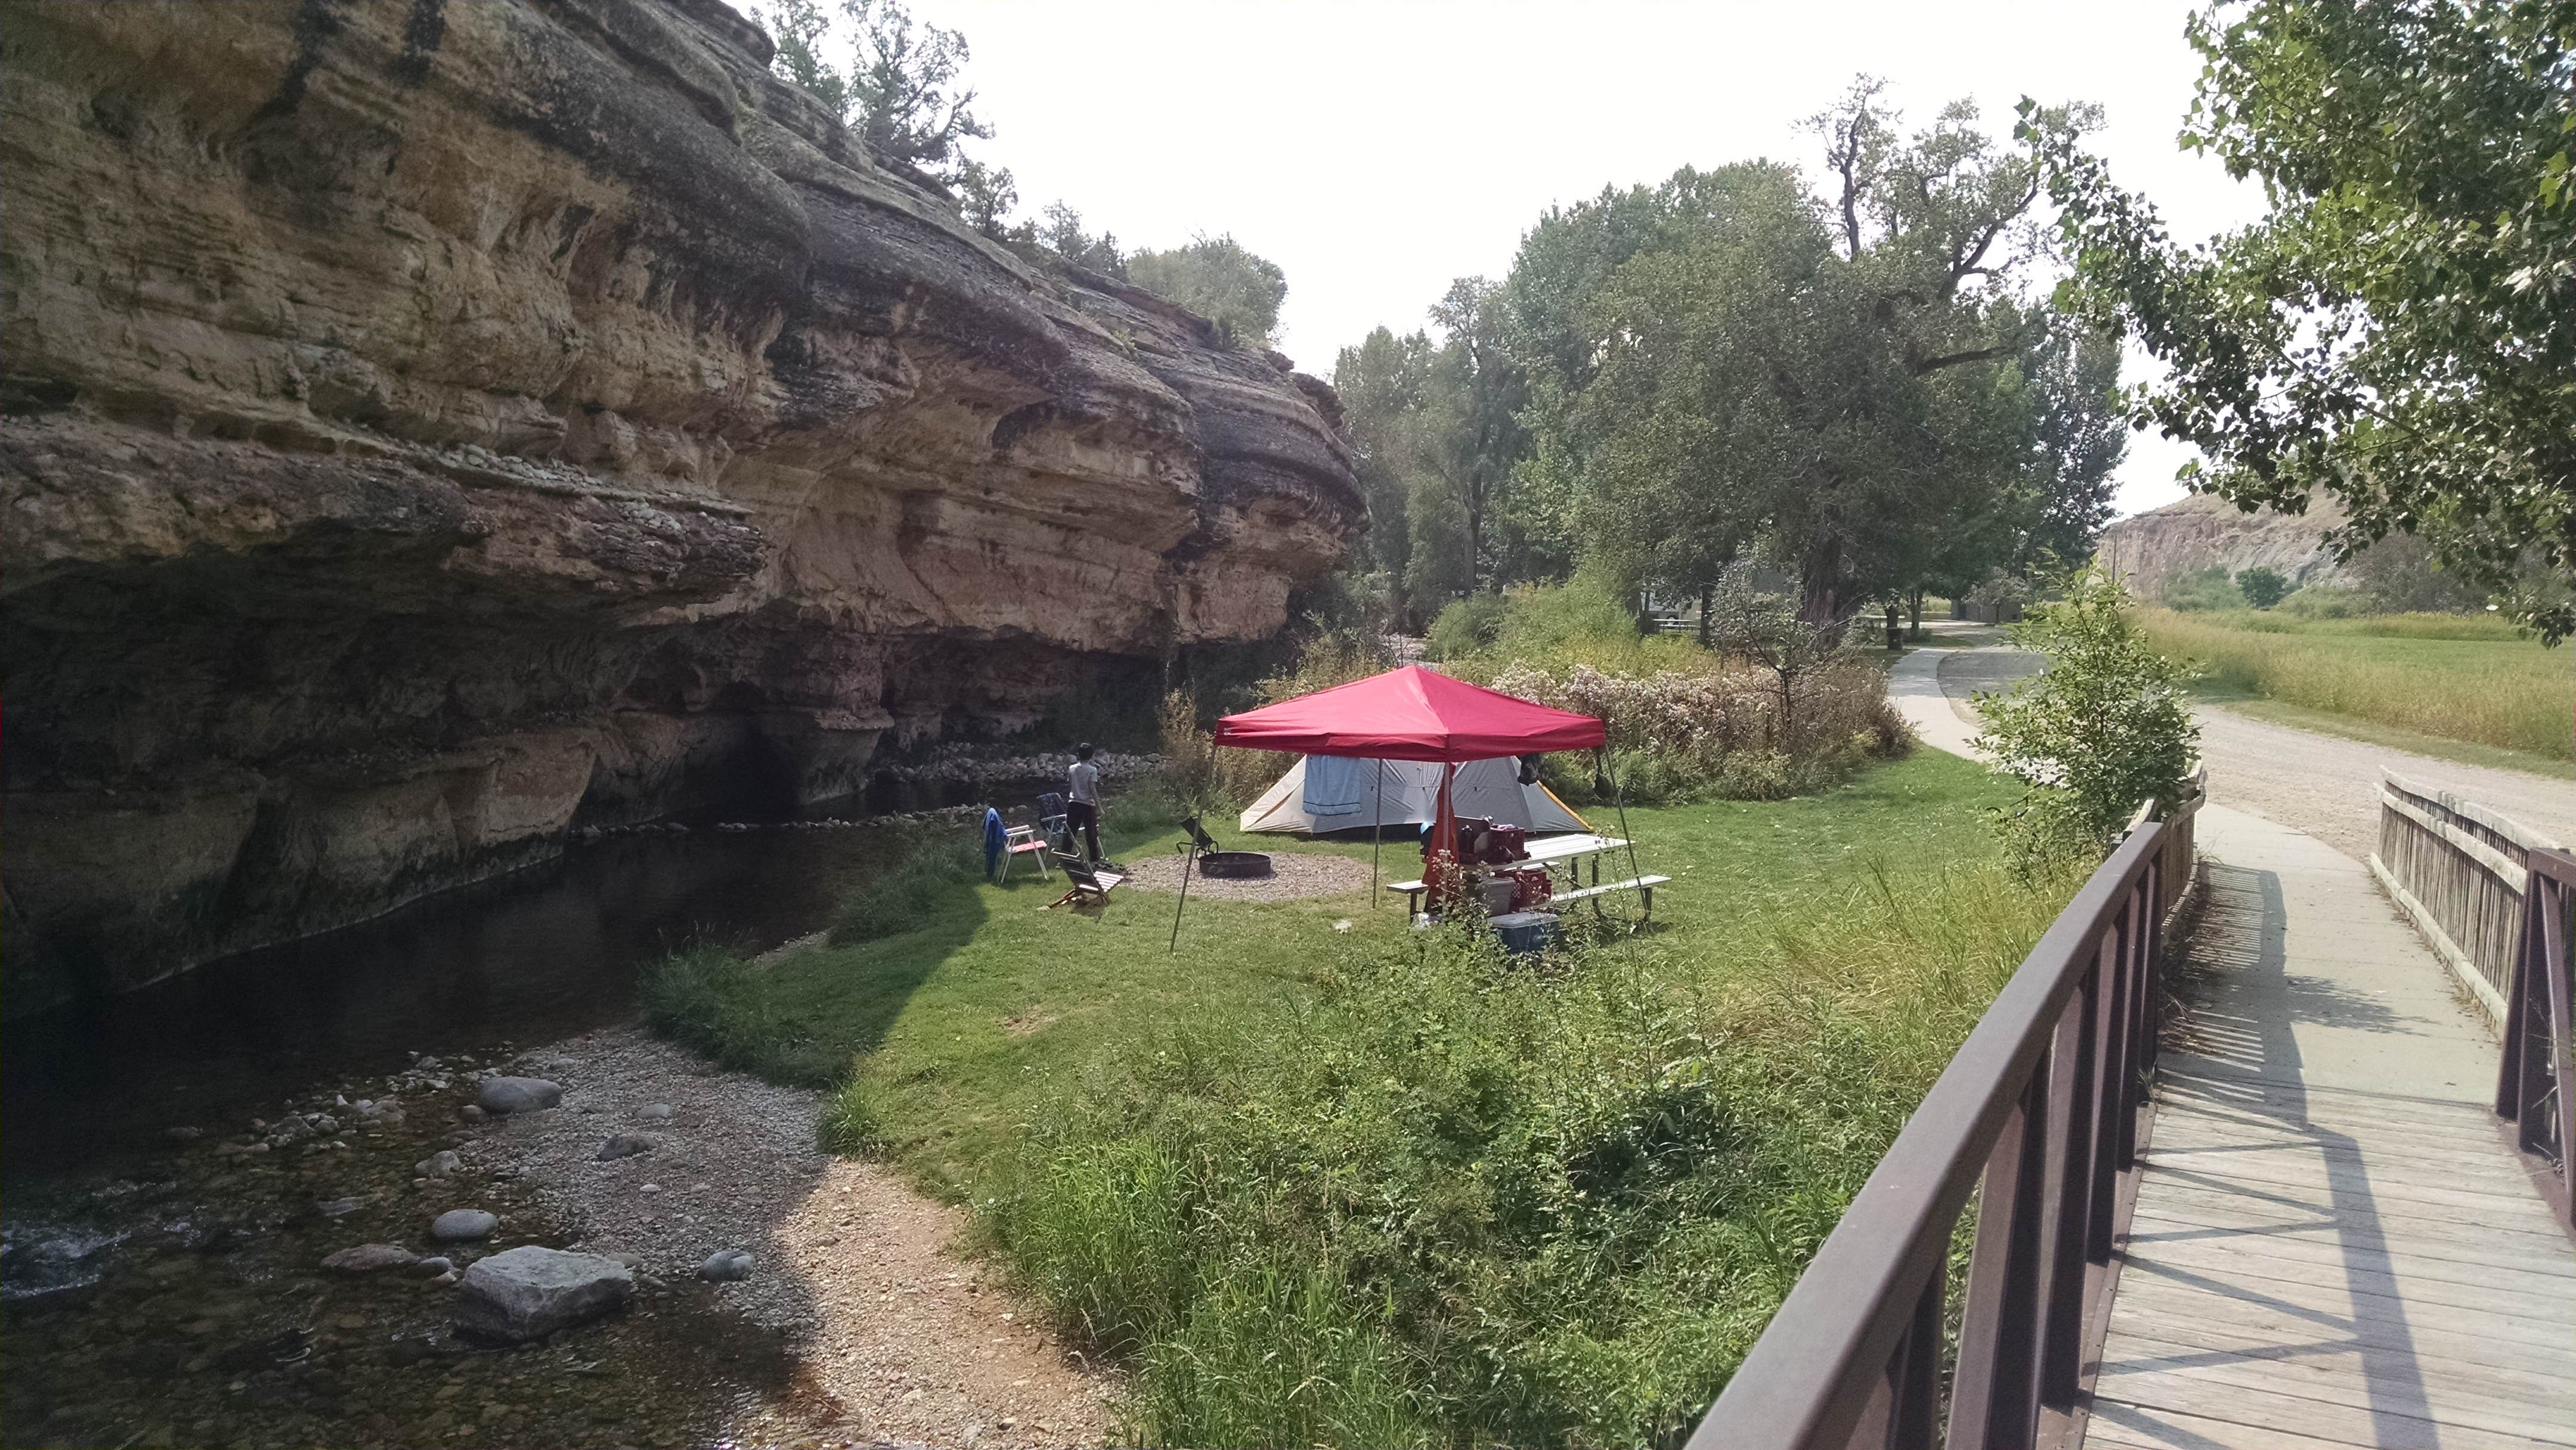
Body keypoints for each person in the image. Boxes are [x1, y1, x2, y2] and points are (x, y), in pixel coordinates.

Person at [1066, 743, 1103, 862]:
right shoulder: (1092, 770)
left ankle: (1065, 857)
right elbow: (1092, 789)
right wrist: (1099, 807)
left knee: (1070, 832)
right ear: (1091, 756)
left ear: (1078, 755)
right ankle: (1094, 859)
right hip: (1087, 805)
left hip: (1073, 803)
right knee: (1091, 833)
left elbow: (1070, 785)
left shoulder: (1072, 768)